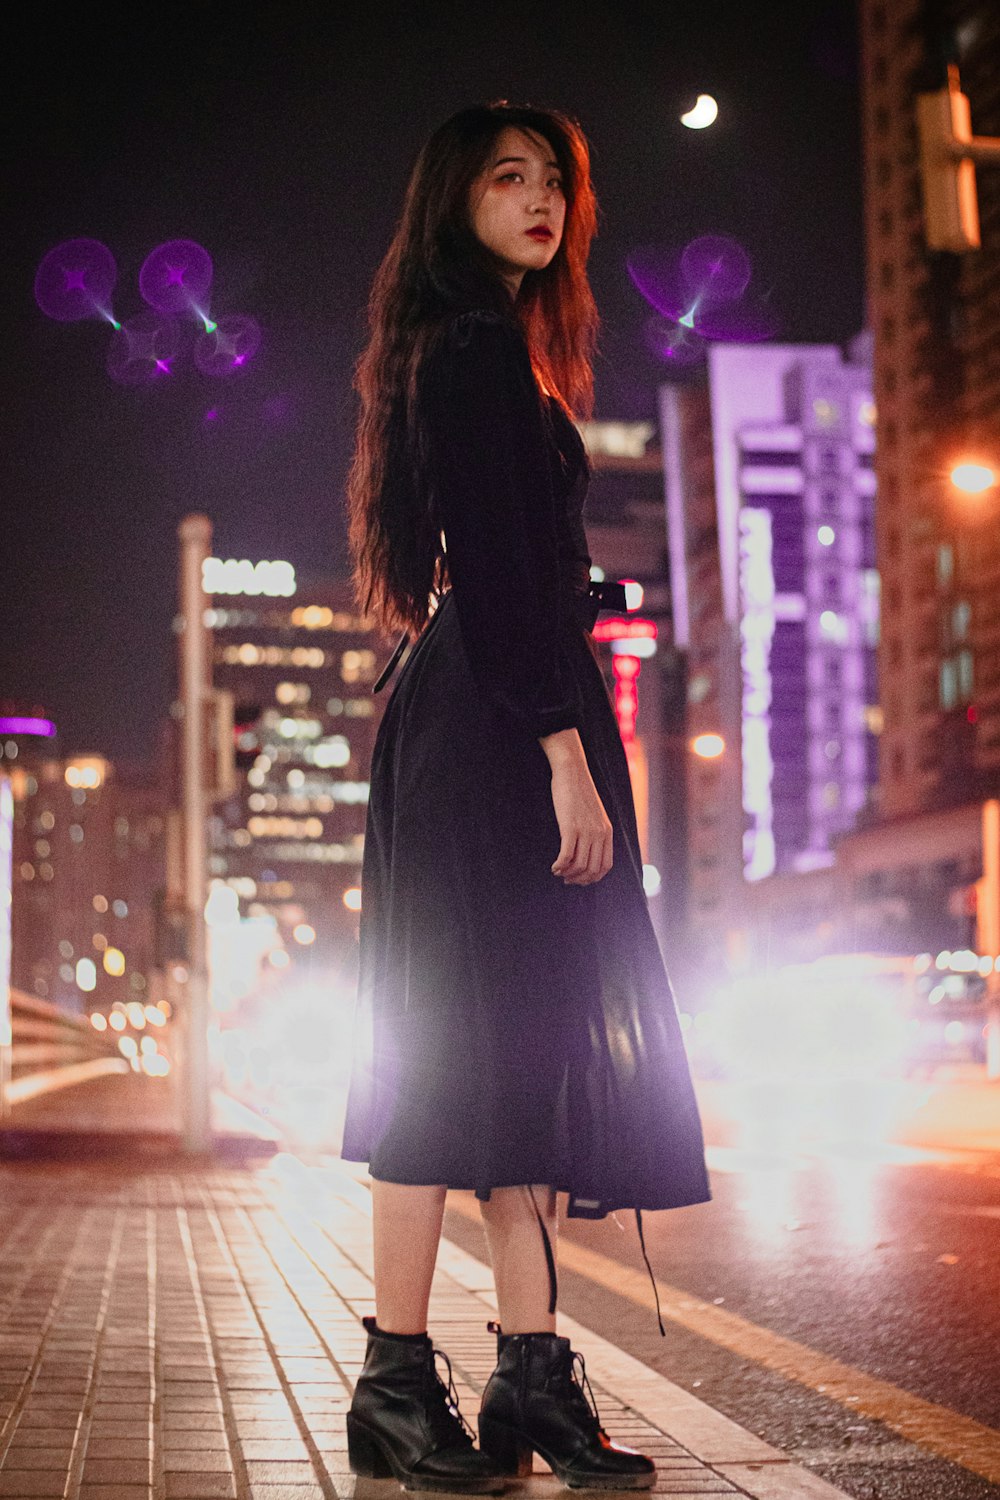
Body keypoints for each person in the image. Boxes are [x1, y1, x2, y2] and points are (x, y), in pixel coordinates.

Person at [341, 101, 711, 1494]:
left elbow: (507, 572)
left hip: (494, 715)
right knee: (453, 1060)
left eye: (556, 179)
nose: (542, 198)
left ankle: (529, 1379)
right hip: (498, 735)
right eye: (509, 177)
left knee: (520, 1061)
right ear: (457, 200)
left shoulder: (483, 347)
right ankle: (393, 1381)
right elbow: (497, 571)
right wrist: (562, 747)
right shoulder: (478, 348)